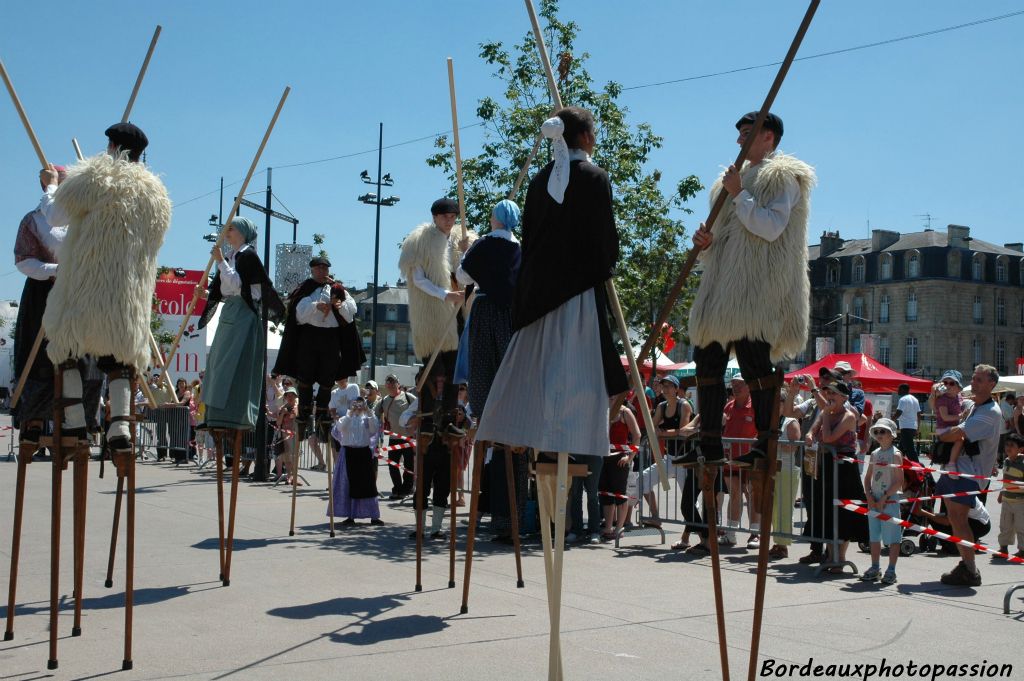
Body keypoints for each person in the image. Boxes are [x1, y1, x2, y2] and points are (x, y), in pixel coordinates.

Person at [476, 106, 628, 465]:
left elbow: (530, 242)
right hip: (578, 295)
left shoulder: (538, 181)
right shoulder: (594, 177)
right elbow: (605, 241)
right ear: (586, 137)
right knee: (576, 377)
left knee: (539, 375)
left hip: (536, 299)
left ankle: (536, 443)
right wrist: (604, 268)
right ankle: (565, 449)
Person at [679, 112, 816, 469]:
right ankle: (707, 444)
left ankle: (765, 445)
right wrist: (705, 242)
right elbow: (721, 242)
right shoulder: (725, 184)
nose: (739, 141)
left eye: (746, 134)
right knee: (707, 360)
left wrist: (739, 194)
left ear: (768, 137)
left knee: (756, 365)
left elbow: (770, 227)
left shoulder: (782, 175)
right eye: (739, 134)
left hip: (758, 293)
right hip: (722, 292)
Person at [43, 123, 171, 451]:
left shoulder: (96, 178)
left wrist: (53, 186)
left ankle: (73, 424)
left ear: (112, 147)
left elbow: (55, 217)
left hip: (85, 287)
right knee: (121, 358)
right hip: (128, 297)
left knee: (66, 344)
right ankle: (120, 429)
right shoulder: (156, 193)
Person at [399, 197, 474, 537]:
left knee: (454, 368)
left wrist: (466, 253)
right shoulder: (420, 240)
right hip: (434, 316)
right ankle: (432, 413)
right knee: (433, 369)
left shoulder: (459, 238)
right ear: (434, 216)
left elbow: (468, 274)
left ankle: (448, 415)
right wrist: (445, 295)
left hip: (455, 316)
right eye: (445, 215)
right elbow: (417, 279)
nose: (449, 220)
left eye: (453, 216)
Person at [273, 256, 363, 466]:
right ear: (313, 269)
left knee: (328, 374)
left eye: (325, 268)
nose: (323, 271)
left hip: (331, 337)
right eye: (319, 268)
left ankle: (323, 415)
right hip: (309, 336)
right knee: (305, 372)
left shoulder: (337, 288)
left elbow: (351, 311)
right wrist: (316, 306)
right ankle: (303, 413)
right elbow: (298, 313)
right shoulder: (305, 288)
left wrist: (338, 305)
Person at [198, 217, 285, 433]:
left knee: (234, 364)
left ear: (243, 232)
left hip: (243, 316)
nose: (227, 231)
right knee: (217, 364)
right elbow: (226, 292)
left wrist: (219, 261)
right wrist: (206, 294)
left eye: (232, 228)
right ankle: (213, 414)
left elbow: (239, 286)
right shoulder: (231, 256)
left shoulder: (248, 256)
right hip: (230, 313)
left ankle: (232, 416)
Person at [11, 164, 69, 442]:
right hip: (41, 292)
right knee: (35, 355)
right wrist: (53, 271)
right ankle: (33, 418)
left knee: (78, 353)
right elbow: (23, 259)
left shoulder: (81, 218)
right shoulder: (33, 220)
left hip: (74, 291)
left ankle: (78, 416)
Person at [935, 364, 1003, 586]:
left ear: (992, 384)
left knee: (960, 519)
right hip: (958, 468)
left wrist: (944, 433)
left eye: (979, 380)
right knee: (955, 518)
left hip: (969, 473)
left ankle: (970, 569)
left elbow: (956, 434)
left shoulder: (990, 411)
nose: (973, 382)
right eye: (973, 378)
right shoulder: (974, 406)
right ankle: (967, 565)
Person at [806, 380, 868, 571]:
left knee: (845, 513)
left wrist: (824, 413)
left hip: (844, 469)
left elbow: (829, 437)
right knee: (828, 512)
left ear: (843, 397)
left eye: (834, 393)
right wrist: (810, 433)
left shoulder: (849, 416)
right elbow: (813, 431)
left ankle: (840, 558)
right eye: (828, 392)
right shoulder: (827, 412)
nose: (830, 396)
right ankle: (832, 557)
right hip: (827, 465)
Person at [859, 418, 905, 584]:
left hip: (890, 500)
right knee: (874, 536)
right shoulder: (875, 454)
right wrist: (869, 496)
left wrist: (885, 497)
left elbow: (899, 481)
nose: (879, 434)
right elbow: (868, 478)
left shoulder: (896, 454)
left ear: (891, 434)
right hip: (874, 500)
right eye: (876, 431)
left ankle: (891, 570)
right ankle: (875, 567)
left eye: (883, 431)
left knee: (893, 538)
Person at [330, 396, 383, 525]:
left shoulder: (368, 418)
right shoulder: (346, 418)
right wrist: (350, 412)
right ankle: (350, 515)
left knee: (368, 485)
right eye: (356, 404)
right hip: (349, 452)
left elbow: (374, 428)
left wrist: (368, 411)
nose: (358, 407)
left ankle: (373, 516)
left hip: (363, 452)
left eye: (360, 404)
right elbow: (340, 428)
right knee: (349, 485)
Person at [768, 386, 804, 560]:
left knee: (784, 509)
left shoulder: (791, 421)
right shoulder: (773, 421)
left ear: (783, 403)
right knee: (774, 509)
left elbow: (792, 447)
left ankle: (783, 545)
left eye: (776, 402)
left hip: (787, 469)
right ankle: (778, 542)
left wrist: (773, 444)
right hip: (774, 469)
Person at [600, 397, 641, 540]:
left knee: (620, 493)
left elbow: (637, 435)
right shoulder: (603, 409)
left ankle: (619, 528)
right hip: (604, 457)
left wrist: (629, 457)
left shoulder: (625, 412)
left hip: (620, 460)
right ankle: (608, 527)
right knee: (605, 493)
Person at [376, 374, 415, 499]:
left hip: (408, 438)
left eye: (393, 382)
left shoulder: (408, 397)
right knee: (393, 466)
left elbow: (420, 409)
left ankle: (406, 489)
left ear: (398, 383)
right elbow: (374, 415)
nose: (391, 384)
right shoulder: (384, 401)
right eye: (388, 382)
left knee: (409, 466)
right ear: (386, 385)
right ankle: (397, 489)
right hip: (393, 438)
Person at [996, 432, 1024, 559]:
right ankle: (1003, 548)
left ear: (1020, 449)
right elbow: (1005, 479)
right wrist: (1001, 493)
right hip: (1007, 500)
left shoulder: (1022, 463)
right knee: (1005, 525)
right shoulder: (1006, 461)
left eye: (1012, 445)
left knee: (1021, 526)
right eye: (1007, 445)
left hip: (1020, 502)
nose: (1008, 447)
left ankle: (1022, 549)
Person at [929, 370, 965, 465]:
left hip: (952, 428)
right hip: (944, 429)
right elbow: (945, 417)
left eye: (952, 383)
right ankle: (951, 464)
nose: (948, 385)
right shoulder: (942, 399)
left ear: (958, 387)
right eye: (945, 382)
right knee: (960, 439)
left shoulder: (959, 397)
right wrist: (961, 416)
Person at [274, 387, 299, 483]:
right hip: (284, 435)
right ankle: (289, 476)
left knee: (294, 457)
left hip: (294, 435)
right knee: (287, 457)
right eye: (288, 395)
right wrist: (282, 413)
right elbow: (278, 423)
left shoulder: (297, 407)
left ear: (295, 396)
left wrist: (293, 410)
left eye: (292, 395)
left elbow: (295, 416)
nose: (290, 397)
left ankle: (294, 477)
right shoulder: (282, 408)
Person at [893, 383, 921, 463]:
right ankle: (897, 463)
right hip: (913, 427)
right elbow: (919, 414)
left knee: (910, 449)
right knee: (901, 449)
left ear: (903, 390)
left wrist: (890, 421)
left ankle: (917, 467)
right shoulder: (915, 399)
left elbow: (898, 412)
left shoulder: (903, 399)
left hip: (906, 427)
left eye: (899, 389)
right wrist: (918, 428)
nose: (897, 391)